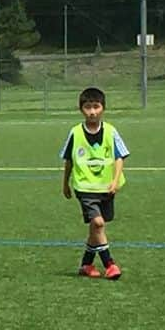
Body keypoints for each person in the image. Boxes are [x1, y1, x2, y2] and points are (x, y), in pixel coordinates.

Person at [60, 86, 128, 280]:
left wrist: (115, 182)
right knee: (98, 224)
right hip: (84, 187)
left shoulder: (111, 131)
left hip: (106, 188)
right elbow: (69, 160)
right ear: (81, 109)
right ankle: (110, 264)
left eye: (96, 107)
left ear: (103, 108)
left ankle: (86, 265)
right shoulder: (75, 133)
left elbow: (119, 157)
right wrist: (65, 184)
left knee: (96, 229)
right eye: (88, 107)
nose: (92, 111)